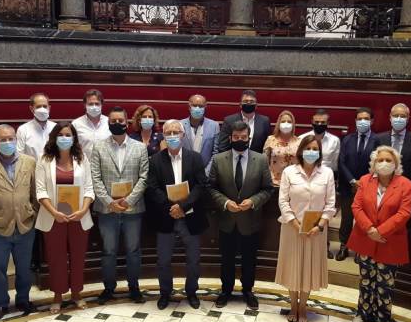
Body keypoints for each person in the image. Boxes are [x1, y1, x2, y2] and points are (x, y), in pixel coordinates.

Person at [347, 146, 411, 322]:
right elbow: (356, 207)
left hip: (389, 241)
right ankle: (363, 312)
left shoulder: (406, 185)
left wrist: (381, 231)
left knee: (385, 283)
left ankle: (382, 317)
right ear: (374, 163)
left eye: (388, 160)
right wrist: (369, 228)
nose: (384, 163)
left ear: (396, 164)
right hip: (366, 238)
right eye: (380, 160)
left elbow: (404, 213)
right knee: (366, 279)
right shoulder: (365, 180)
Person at [0, 124, 39, 319]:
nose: (7, 142)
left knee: (24, 267)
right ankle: (1, 303)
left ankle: (23, 299)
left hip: (25, 224)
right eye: (3, 139)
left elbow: (34, 192)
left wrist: (34, 213)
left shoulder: (29, 162)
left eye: (11, 138)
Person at [208, 120, 274, 309]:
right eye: (236, 137)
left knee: (249, 259)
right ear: (230, 138)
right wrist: (226, 203)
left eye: (243, 137)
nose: (239, 140)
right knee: (226, 259)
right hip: (227, 220)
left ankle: (247, 291)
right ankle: (226, 291)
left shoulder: (260, 159)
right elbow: (211, 188)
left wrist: (253, 201)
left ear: (249, 138)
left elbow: (268, 189)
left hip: (250, 220)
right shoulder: (219, 159)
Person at [147, 120, 209, 310]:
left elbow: (201, 185)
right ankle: (165, 293)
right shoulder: (156, 160)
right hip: (166, 217)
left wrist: (182, 206)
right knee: (164, 260)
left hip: (190, 217)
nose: (172, 135)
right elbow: (152, 188)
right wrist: (171, 207)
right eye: (169, 132)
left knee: (193, 259)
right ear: (163, 136)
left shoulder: (195, 158)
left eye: (176, 132)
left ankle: (191, 292)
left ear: (183, 135)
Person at [90, 107, 149, 303]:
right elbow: (95, 178)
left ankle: (134, 287)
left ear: (127, 122)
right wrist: (109, 202)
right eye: (113, 120)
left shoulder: (139, 147)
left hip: (133, 208)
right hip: (107, 209)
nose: (117, 124)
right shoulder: (98, 147)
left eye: (120, 120)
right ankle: (109, 288)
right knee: (109, 251)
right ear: (108, 123)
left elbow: (144, 177)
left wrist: (128, 200)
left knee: (133, 250)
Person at [275, 135, 336, 322]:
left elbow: (331, 203)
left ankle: (303, 307)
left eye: (314, 149)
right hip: (292, 228)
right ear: (301, 151)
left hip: (315, 231)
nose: (311, 152)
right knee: (293, 268)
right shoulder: (289, 172)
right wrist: (294, 222)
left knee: (308, 269)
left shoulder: (326, 173)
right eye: (308, 148)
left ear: (319, 152)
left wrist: (320, 225)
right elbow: (283, 200)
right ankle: (293, 305)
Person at [35, 123, 95, 314]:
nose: (64, 138)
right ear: (54, 137)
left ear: (74, 138)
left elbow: (89, 188)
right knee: (56, 259)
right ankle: (58, 295)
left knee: (78, 257)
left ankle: (77, 293)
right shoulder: (44, 160)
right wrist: (54, 212)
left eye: (68, 135)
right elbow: (40, 190)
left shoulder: (82, 158)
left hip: (79, 217)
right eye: (60, 134)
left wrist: (83, 210)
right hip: (53, 218)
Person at [336, 108, 379, 260]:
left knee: (363, 219)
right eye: (359, 118)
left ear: (372, 121)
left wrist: (364, 182)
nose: (362, 121)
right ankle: (344, 246)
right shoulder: (347, 139)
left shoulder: (377, 140)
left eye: (366, 118)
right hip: (348, 186)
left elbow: (378, 164)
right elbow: (341, 162)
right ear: (355, 121)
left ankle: (360, 249)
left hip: (369, 187)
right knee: (346, 217)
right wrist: (353, 181)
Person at [300, 109, 341, 259]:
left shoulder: (334, 140)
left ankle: (325, 246)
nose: (319, 124)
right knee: (305, 209)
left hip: (325, 180)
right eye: (316, 122)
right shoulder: (303, 138)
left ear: (328, 123)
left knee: (325, 213)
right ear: (311, 121)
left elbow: (336, 164)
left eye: (322, 122)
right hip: (306, 178)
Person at [376, 103, 411, 184]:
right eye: (395, 115)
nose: (399, 118)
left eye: (403, 116)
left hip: (406, 185)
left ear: (408, 119)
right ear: (390, 117)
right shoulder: (379, 139)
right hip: (382, 183)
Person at [180, 94, 219, 174]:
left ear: (205, 107)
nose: (197, 108)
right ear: (189, 107)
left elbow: (215, 153)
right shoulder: (180, 125)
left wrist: (206, 172)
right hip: (184, 172)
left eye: (200, 106)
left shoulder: (214, 126)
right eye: (194, 105)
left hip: (206, 173)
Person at [263, 110, 300, 187]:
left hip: (293, 183)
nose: (286, 124)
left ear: (293, 124)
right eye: (283, 121)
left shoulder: (299, 142)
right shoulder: (270, 140)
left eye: (289, 122)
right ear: (278, 123)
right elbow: (264, 162)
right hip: (274, 183)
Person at [17, 93, 57, 161]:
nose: (42, 109)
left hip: (52, 169)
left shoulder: (55, 127)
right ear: (31, 108)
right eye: (38, 107)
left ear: (49, 108)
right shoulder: (23, 130)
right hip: (31, 170)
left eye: (45, 106)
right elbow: (19, 155)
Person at [72, 89, 111, 158]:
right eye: (90, 104)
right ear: (85, 105)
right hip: (84, 166)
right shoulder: (76, 124)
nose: (94, 106)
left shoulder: (109, 122)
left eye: (97, 104)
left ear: (102, 104)